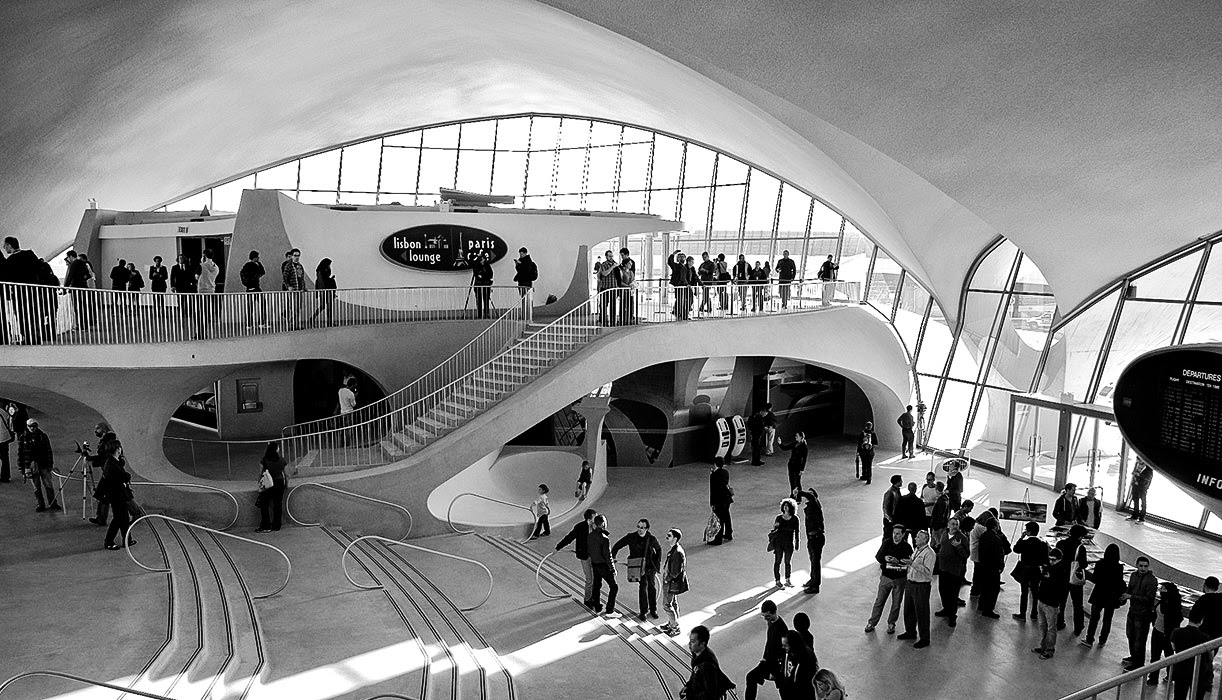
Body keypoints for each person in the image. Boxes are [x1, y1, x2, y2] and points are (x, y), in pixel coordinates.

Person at [611, 518, 663, 621]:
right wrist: (613, 556)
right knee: (643, 588)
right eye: (638, 527)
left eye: (642, 527)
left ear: (647, 529)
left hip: (649, 567)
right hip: (638, 567)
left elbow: (659, 549)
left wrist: (657, 563)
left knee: (652, 588)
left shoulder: (651, 539)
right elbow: (617, 545)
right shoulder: (631, 537)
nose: (639, 529)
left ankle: (653, 610)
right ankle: (643, 611)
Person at [865, 524, 912, 634]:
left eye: (898, 534)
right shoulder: (887, 543)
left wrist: (898, 561)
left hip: (899, 579)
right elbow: (878, 557)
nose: (895, 536)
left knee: (896, 603)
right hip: (886, 577)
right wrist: (885, 558)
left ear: (903, 535)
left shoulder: (907, 548)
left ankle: (891, 623)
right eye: (894, 533)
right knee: (879, 601)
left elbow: (909, 563)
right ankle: (872, 622)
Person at [1081, 543, 1126, 647]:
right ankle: (1102, 640)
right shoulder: (1119, 567)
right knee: (1107, 619)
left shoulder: (1100, 564)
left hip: (1099, 594)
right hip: (1111, 596)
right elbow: (1119, 582)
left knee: (1094, 618)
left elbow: (1094, 579)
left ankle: (1089, 639)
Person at [744, 600, 789, 700]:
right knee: (751, 677)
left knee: (784, 690)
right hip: (768, 661)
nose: (765, 619)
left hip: (777, 666)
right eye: (763, 616)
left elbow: (783, 652)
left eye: (767, 616)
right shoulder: (771, 622)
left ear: (774, 612)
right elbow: (768, 642)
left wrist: (775, 672)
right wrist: (764, 657)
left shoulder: (782, 629)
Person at [1121, 557, 1159, 671]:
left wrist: (1131, 596)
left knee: (1140, 639)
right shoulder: (1133, 576)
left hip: (1143, 614)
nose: (1143, 568)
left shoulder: (1151, 580)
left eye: (1145, 566)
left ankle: (1138, 663)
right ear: (1136, 565)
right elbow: (1130, 589)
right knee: (1130, 635)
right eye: (1141, 566)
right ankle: (1134, 657)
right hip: (1133, 611)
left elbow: (1149, 598)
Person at [899, 529, 936, 648]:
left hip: (921, 586)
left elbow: (928, 573)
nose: (915, 539)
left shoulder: (930, 554)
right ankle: (910, 632)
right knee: (908, 610)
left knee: (922, 612)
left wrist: (912, 563)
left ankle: (925, 639)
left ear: (925, 539)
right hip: (911, 583)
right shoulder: (917, 550)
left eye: (918, 537)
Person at [557, 509, 598, 610]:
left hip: (595, 556)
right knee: (589, 579)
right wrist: (558, 547)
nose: (596, 518)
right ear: (589, 518)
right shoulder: (580, 527)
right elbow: (569, 537)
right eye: (594, 517)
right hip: (585, 556)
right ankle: (588, 599)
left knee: (596, 579)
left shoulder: (596, 526)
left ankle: (594, 598)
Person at [1033, 548, 1069, 659]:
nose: (1051, 562)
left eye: (1054, 560)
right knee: (1043, 626)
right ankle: (1043, 646)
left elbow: (1061, 588)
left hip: (1052, 604)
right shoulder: (1048, 567)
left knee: (1051, 628)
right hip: (1042, 600)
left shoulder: (1062, 571)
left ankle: (1049, 650)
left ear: (1060, 559)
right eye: (1050, 559)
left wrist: (1049, 578)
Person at [680, 625, 734, 700]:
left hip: (706, 695)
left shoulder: (707, 666)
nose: (689, 644)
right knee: (682, 694)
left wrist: (690, 697)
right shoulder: (697, 653)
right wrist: (688, 685)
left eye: (692, 641)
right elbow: (695, 673)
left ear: (702, 644)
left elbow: (710, 694)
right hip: (699, 687)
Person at [935, 515, 970, 627]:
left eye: (956, 524)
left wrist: (958, 547)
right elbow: (942, 547)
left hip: (954, 571)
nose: (954, 526)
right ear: (948, 525)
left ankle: (952, 615)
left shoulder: (962, 538)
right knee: (943, 590)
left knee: (952, 594)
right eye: (952, 524)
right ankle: (946, 609)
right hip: (943, 568)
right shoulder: (944, 534)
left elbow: (966, 554)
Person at [18, 418, 59, 512]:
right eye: (30, 426)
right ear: (27, 426)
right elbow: (20, 454)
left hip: (43, 464)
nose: (32, 428)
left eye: (34, 426)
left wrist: (50, 464)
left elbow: (49, 451)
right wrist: (22, 468)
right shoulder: (23, 437)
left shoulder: (43, 436)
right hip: (31, 466)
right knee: (36, 486)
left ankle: (52, 502)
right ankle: (40, 504)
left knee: (48, 484)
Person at [1171, 610, 1212, 700]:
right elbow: (1210, 656)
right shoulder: (1205, 638)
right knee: (1197, 696)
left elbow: (1174, 647)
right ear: (1201, 621)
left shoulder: (1176, 632)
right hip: (1199, 672)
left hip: (1181, 669)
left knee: (1179, 696)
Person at [100, 440, 134, 550]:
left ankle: (127, 540)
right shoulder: (111, 465)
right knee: (118, 519)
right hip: (116, 495)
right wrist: (126, 477)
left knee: (124, 518)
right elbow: (124, 476)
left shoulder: (113, 461)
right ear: (117, 449)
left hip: (119, 494)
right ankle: (108, 541)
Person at [1011, 521, 1049, 620]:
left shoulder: (1025, 542)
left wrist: (1021, 538)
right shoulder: (1042, 544)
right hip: (1036, 570)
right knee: (1035, 592)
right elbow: (1045, 559)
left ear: (1028, 531)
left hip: (1025, 569)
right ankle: (1034, 614)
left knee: (1024, 592)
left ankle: (1022, 614)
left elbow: (1016, 549)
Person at [1056, 523, 1089, 635]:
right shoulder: (1081, 548)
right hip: (1074, 578)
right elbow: (1084, 564)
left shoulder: (1060, 543)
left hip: (1061, 576)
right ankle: (1078, 627)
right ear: (1080, 536)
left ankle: (1059, 622)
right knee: (1077, 603)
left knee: (1061, 601)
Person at [1150, 581, 1185, 686]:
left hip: (1167, 635)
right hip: (1157, 631)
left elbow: (1176, 620)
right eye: (1161, 588)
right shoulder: (1162, 601)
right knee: (1155, 657)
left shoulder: (1173, 605)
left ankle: (1170, 676)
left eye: (1164, 589)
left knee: (1168, 656)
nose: (1161, 590)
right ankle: (1153, 678)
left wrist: (1170, 635)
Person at [976, 516, 1010, 619]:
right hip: (992, 568)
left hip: (983, 566)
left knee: (984, 587)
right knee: (993, 590)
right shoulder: (996, 539)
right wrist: (1001, 566)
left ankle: (981, 605)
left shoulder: (983, 536)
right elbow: (999, 555)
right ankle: (988, 610)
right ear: (995, 526)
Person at [796, 489, 825, 594]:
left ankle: (815, 585)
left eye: (810, 494)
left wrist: (800, 492)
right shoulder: (811, 506)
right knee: (813, 561)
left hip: (816, 538)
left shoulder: (815, 504)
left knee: (815, 562)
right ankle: (812, 580)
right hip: (812, 538)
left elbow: (811, 497)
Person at [661, 528, 688, 637]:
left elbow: (676, 571)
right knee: (673, 603)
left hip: (672, 583)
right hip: (673, 582)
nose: (667, 538)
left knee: (666, 605)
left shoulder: (677, 553)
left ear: (675, 538)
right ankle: (671, 623)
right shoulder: (675, 549)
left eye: (669, 536)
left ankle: (675, 627)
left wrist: (667, 579)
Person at [256, 441, 287, 532]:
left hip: (268, 483)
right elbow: (286, 473)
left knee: (264, 505)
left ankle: (266, 526)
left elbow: (260, 472)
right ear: (276, 449)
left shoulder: (264, 460)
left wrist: (259, 483)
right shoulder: (282, 460)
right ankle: (276, 526)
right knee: (277, 504)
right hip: (279, 483)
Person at [777, 630, 818, 699]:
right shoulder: (787, 653)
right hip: (788, 691)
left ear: (793, 645)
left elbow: (805, 683)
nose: (783, 647)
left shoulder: (807, 658)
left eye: (785, 645)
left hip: (801, 694)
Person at [770, 498, 801, 587]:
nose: (786, 507)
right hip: (779, 543)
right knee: (777, 561)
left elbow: (797, 531)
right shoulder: (779, 518)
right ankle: (777, 580)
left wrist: (797, 542)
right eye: (784, 506)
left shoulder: (795, 519)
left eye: (787, 506)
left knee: (787, 562)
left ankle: (788, 579)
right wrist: (775, 528)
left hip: (789, 543)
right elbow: (775, 530)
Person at [708, 457, 733, 545]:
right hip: (727, 498)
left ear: (715, 464)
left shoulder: (714, 475)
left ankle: (718, 539)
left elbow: (713, 490)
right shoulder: (726, 472)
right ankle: (728, 534)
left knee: (719, 519)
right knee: (726, 516)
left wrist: (712, 503)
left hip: (719, 500)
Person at [240, 250, 267, 326]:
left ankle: (249, 323)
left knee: (249, 306)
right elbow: (262, 272)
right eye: (257, 257)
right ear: (255, 257)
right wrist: (259, 263)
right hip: (256, 287)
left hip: (249, 288)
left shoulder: (246, 266)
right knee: (262, 304)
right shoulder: (255, 265)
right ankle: (262, 322)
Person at [281, 248, 306, 326]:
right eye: (295, 255)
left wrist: (303, 287)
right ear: (291, 256)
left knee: (298, 308)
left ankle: (295, 323)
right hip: (293, 290)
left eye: (298, 256)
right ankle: (292, 324)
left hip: (299, 290)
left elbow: (301, 278)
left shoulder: (300, 266)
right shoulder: (288, 265)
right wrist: (288, 287)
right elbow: (284, 277)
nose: (297, 257)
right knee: (294, 308)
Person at [310, 258, 336, 326]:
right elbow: (321, 281)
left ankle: (329, 321)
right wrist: (322, 290)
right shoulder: (320, 270)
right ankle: (313, 318)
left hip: (327, 290)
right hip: (324, 290)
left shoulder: (323, 270)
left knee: (327, 306)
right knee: (325, 306)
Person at [667, 250, 692, 320]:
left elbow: (685, 277)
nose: (682, 258)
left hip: (683, 286)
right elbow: (670, 262)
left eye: (683, 257)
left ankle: (682, 313)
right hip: (679, 285)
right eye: (680, 257)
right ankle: (680, 314)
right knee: (680, 300)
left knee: (682, 300)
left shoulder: (685, 267)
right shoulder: (676, 266)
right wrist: (673, 254)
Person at [594, 249, 617, 325]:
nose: (611, 257)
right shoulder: (603, 265)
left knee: (613, 305)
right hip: (605, 288)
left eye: (612, 256)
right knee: (604, 304)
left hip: (613, 288)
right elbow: (604, 274)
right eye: (609, 256)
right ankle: (603, 319)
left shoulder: (615, 264)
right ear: (606, 256)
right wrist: (611, 267)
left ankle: (613, 320)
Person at [615, 247, 637, 325]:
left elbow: (632, 276)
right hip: (624, 288)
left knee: (630, 302)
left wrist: (631, 285)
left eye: (622, 255)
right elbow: (620, 279)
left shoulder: (631, 265)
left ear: (626, 255)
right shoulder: (621, 267)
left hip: (629, 288)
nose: (622, 257)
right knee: (623, 303)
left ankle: (630, 317)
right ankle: (623, 318)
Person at [929, 482, 950, 548]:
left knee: (936, 543)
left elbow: (940, 515)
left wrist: (936, 528)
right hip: (942, 525)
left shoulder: (941, 501)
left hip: (938, 527)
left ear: (936, 488)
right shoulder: (945, 499)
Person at [0, 401, 12, 483]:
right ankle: (5, 477)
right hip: (4, 437)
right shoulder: (2, 411)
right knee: (5, 458)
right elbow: (9, 421)